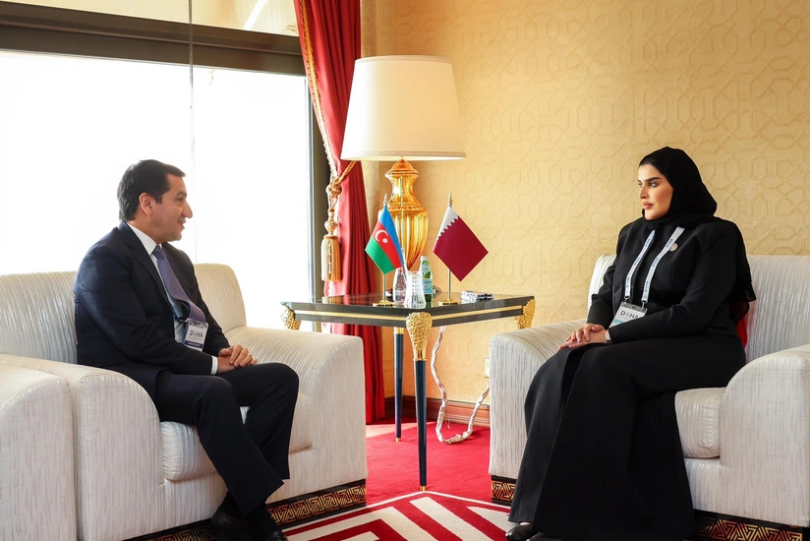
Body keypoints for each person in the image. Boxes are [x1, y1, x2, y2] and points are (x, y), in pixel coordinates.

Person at [505, 147, 755, 541]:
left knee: (599, 366)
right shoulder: (631, 233)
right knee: (561, 363)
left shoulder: (716, 235)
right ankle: (539, 511)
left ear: (680, 186)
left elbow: (693, 313)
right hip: (640, 346)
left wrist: (610, 336)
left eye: (653, 183)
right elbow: (607, 295)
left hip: (703, 348)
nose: (642, 193)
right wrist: (594, 325)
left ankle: (583, 519)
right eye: (640, 184)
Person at [74, 159, 298, 541]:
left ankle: (234, 511)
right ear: (147, 202)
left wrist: (225, 352)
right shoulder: (105, 258)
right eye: (179, 199)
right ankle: (257, 518)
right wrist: (211, 366)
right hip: (136, 376)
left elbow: (203, 320)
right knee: (215, 390)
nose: (188, 212)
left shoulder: (175, 259)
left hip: (182, 371)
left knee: (280, 379)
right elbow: (137, 340)